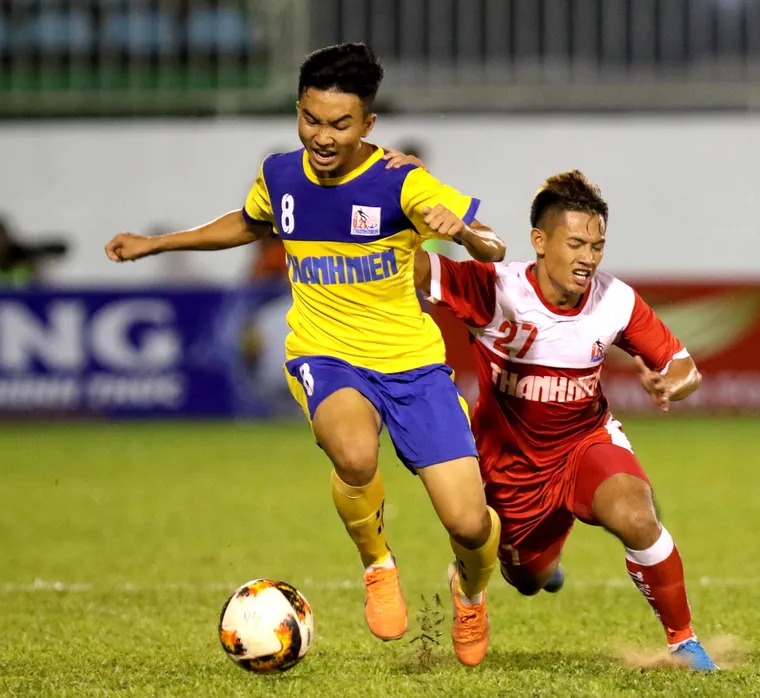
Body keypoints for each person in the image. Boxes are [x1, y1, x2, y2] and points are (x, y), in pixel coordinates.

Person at [103, 42, 506, 667]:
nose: (322, 136)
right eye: (311, 119)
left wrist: (468, 234)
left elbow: (495, 247)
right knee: (354, 452)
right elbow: (249, 223)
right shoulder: (280, 175)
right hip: (325, 353)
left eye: (340, 124)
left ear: (367, 124)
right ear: (298, 110)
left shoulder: (403, 180)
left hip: (413, 366)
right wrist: (157, 243)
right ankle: (378, 563)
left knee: (469, 524)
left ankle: (470, 593)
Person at [411, 169, 719, 671]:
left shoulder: (614, 299)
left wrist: (672, 385)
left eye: (597, 246)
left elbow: (684, 367)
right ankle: (532, 567)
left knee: (638, 516)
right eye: (576, 244)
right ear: (540, 241)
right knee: (528, 579)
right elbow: (410, 267)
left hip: (584, 444)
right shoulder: (496, 290)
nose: (588, 258)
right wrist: (401, 202)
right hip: (510, 466)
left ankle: (684, 642)